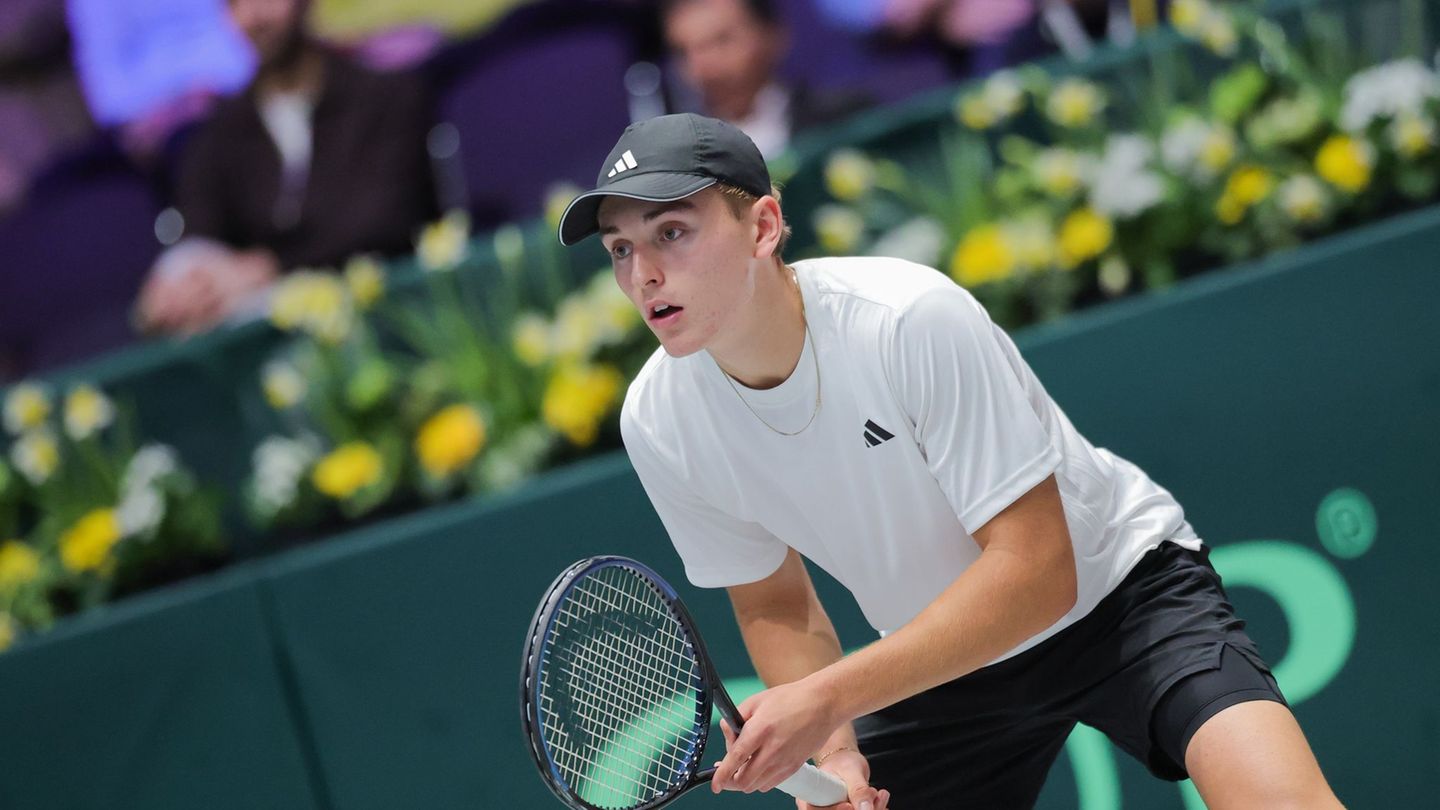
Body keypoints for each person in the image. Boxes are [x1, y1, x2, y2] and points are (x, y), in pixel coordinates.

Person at [556, 113, 1343, 809]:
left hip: (1121, 599)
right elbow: (775, 603)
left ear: (763, 227)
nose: (643, 274)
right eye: (622, 249)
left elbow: (1038, 572)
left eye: (672, 232)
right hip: (942, 662)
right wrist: (836, 758)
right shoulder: (659, 419)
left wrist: (825, 699)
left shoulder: (907, 319)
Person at [135, 0, 438, 336]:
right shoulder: (218, 137)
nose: (254, 16)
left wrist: (271, 269)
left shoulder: (385, 98)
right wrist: (175, 289)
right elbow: (197, 229)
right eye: (235, 3)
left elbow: (386, 224)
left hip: (389, 323)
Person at [660, 0, 871, 158]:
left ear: (771, 36)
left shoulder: (843, 119)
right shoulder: (682, 161)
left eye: (721, 41)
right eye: (683, 52)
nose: (703, 67)